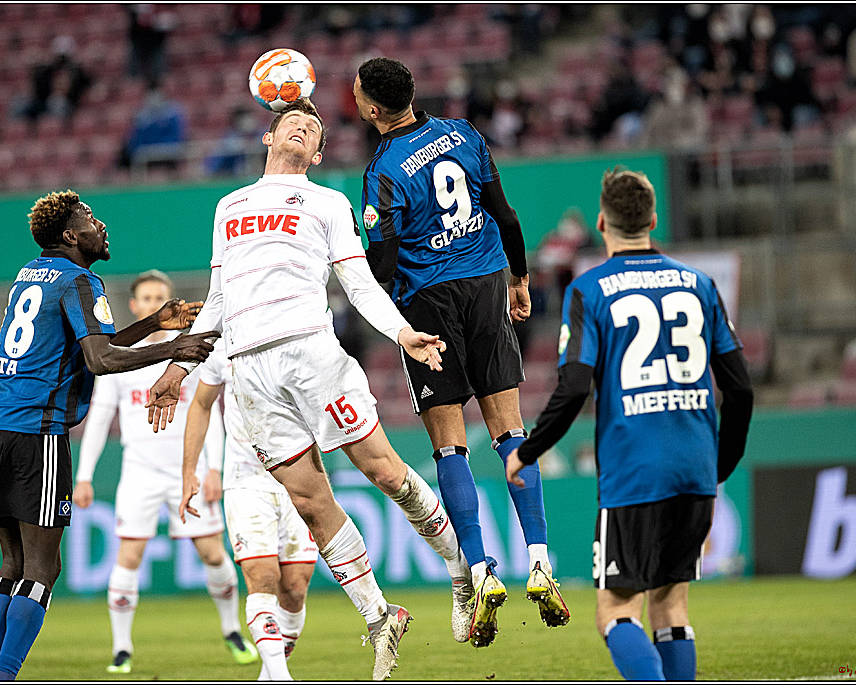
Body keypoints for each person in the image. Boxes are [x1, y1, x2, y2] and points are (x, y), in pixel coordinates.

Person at [144, 98, 469, 681]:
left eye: (313, 128)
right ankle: (378, 616)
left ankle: (458, 568)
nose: (303, 126)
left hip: (312, 353)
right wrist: (178, 365)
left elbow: (358, 282)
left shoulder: (328, 202)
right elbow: (217, 301)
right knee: (311, 504)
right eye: (293, 121)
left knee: (386, 473)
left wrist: (402, 333)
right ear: (269, 135)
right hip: (249, 373)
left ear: (317, 153)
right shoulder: (228, 206)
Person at [353, 56, 568, 649]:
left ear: (371, 107)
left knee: (449, 441)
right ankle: (543, 561)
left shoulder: (381, 173)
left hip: (428, 303)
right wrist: (519, 279)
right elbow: (505, 214)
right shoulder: (464, 134)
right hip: (484, 284)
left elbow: (387, 257)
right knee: (509, 432)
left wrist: (383, 310)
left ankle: (479, 571)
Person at [506, 169, 754, 681]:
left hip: (634, 471)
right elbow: (742, 388)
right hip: (694, 469)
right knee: (671, 607)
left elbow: (575, 386)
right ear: (653, 219)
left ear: (601, 222)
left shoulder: (590, 290)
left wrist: (528, 450)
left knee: (615, 612)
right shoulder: (699, 284)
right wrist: (719, 463)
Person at [0, 190, 218, 681]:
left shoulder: (31, 274)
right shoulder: (82, 279)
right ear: (69, 236)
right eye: (89, 220)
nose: (100, 225)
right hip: (32, 430)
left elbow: (87, 349)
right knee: (43, 569)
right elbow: (101, 361)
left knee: (12, 564)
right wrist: (176, 351)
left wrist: (152, 325)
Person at [73, 270, 257, 674]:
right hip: (139, 471)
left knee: (212, 553)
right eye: (147, 297)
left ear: (174, 304)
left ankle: (231, 629)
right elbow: (100, 418)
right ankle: (121, 648)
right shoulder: (116, 355)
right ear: (135, 306)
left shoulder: (187, 351)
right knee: (129, 555)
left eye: (162, 296)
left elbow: (207, 412)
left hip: (185, 470)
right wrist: (83, 475)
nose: (155, 302)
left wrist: (212, 469)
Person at [182, 334, 317, 681]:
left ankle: (268, 674)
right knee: (263, 577)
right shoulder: (223, 345)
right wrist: (191, 470)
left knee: (295, 587)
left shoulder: (301, 334)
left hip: (299, 477)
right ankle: (281, 676)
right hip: (246, 480)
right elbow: (200, 405)